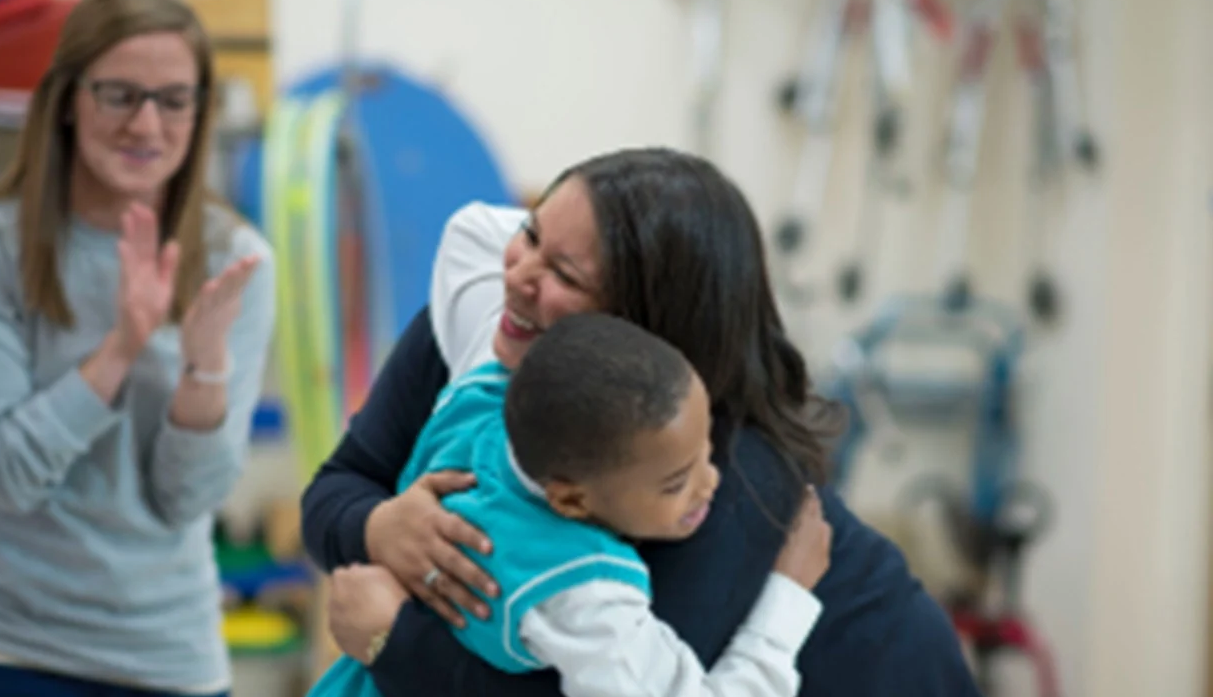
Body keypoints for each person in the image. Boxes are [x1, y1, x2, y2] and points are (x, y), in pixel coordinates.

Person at [302, 148, 981, 696]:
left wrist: (394, 639)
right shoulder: (494, 337)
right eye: (529, 232)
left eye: (564, 273)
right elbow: (338, 488)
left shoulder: (713, 481)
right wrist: (376, 528)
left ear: (641, 331)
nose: (517, 276)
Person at [0, 0, 275, 696]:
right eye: (119, 94)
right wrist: (120, 348)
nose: (146, 123)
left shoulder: (233, 259)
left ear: (199, 110)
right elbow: (1, 471)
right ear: (66, 100)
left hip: (165, 652)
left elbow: (188, 501)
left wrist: (203, 373)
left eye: (173, 98)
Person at [308, 312, 832, 697]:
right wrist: (788, 599)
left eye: (707, 452)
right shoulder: (583, 589)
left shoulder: (480, 402)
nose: (710, 484)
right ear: (571, 499)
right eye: (675, 483)